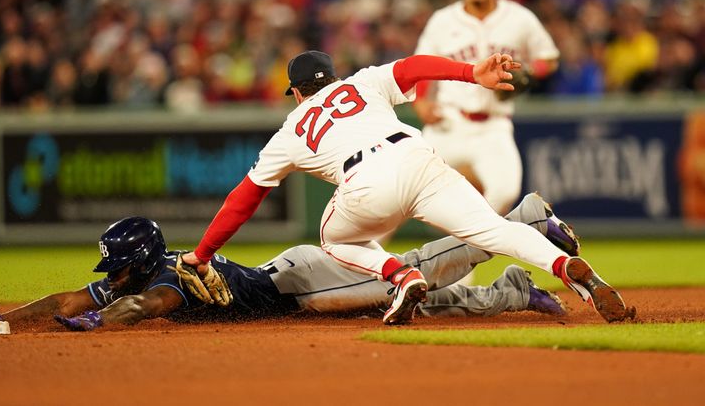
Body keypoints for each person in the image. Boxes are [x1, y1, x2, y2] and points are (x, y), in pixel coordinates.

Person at [178, 48, 633, 325]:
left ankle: (401, 276)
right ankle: (566, 266)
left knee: (333, 237)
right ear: (332, 78)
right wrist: (472, 72)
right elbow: (415, 66)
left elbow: (244, 197)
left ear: (297, 92)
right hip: (418, 158)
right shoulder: (362, 82)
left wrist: (201, 253)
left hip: (366, 185)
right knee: (492, 229)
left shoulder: (291, 128)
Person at [0, 192, 581, 331]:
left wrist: (99, 321)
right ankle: (513, 290)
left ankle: (524, 219)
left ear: (136, 262)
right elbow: (67, 300)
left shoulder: (164, 278)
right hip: (293, 291)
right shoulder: (142, 273)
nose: (109, 280)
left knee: (413, 269)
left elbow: (147, 305)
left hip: (303, 283)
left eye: (115, 269)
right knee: (406, 301)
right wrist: (5, 322)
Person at [413, 0, 560, 215]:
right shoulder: (442, 20)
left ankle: (463, 248)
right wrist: (421, 101)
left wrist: (529, 71)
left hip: (493, 126)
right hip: (449, 121)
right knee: (405, 193)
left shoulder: (519, 17)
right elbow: (422, 65)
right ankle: (361, 254)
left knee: (504, 193)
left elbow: (548, 58)